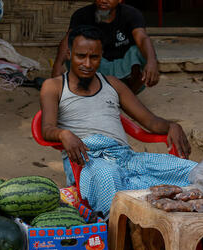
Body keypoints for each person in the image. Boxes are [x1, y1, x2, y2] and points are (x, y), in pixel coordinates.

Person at [40, 26, 194, 214]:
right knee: (108, 176)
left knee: (191, 171)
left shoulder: (113, 84)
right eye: (81, 56)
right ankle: (117, 231)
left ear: (101, 56)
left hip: (126, 158)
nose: (87, 64)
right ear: (69, 54)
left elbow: (150, 121)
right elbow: (46, 129)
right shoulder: (54, 86)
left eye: (94, 57)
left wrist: (172, 125)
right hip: (88, 161)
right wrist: (63, 133)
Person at [52, 0, 160, 93]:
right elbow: (68, 40)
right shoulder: (82, 15)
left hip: (123, 67)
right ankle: (92, 92)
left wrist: (152, 62)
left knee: (141, 52)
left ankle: (128, 95)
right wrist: (57, 66)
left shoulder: (131, 14)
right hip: (97, 68)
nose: (103, 0)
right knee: (72, 51)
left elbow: (142, 38)